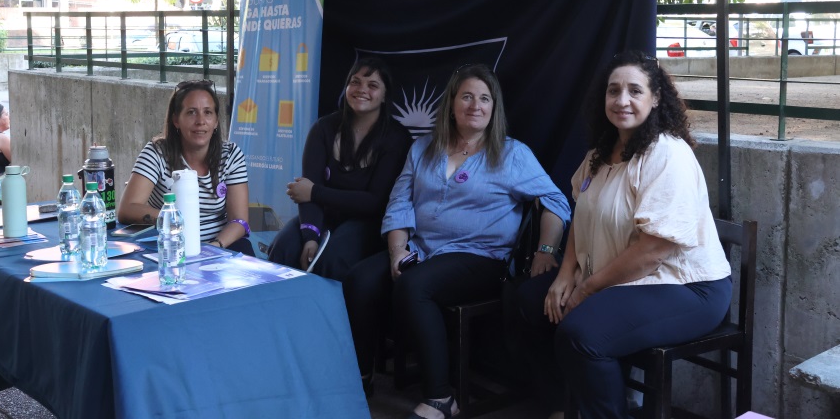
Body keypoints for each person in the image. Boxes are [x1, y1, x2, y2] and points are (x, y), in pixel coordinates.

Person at [343, 64, 571, 419]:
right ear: (451, 103)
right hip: (422, 249)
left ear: (494, 108)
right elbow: (400, 202)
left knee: (415, 286)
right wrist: (397, 250)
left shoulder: (512, 154)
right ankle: (360, 375)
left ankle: (440, 397)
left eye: (484, 98)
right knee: (359, 279)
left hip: (481, 257)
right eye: (466, 96)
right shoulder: (422, 149)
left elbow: (555, 201)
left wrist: (546, 250)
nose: (475, 105)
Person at [516, 50, 732, 419]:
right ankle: (560, 410)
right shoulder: (600, 154)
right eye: (613, 91)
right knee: (527, 300)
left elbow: (653, 251)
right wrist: (566, 275)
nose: (622, 100)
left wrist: (586, 289)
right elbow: (580, 220)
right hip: (620, 276)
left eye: (635, 90)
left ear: (656, 97)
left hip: (686, 287)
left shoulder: (667, 154)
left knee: (581, 335)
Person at [268, 57, 412, 280]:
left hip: (368, 223)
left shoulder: (397, 138)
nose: (361, 89)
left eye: (372, 85)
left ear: (384, 96)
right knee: (283, 249)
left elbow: (375, 202)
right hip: (325, 216)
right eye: (355, 82)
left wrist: (316, 192)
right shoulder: (323, 128)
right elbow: (306, 195)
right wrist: (310, 237)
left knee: (331, 259)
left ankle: (327, 315)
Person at [118, 79, 252, 253]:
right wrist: (172, 218)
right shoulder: (157, 152)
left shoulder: (231, 155)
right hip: (171, 246)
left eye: (208, 113)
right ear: (176, 120)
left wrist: (213, 248)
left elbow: (239, 221)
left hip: (219, 247)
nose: (200, 121)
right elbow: (128, 208)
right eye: (191, 112)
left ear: (216, 121)